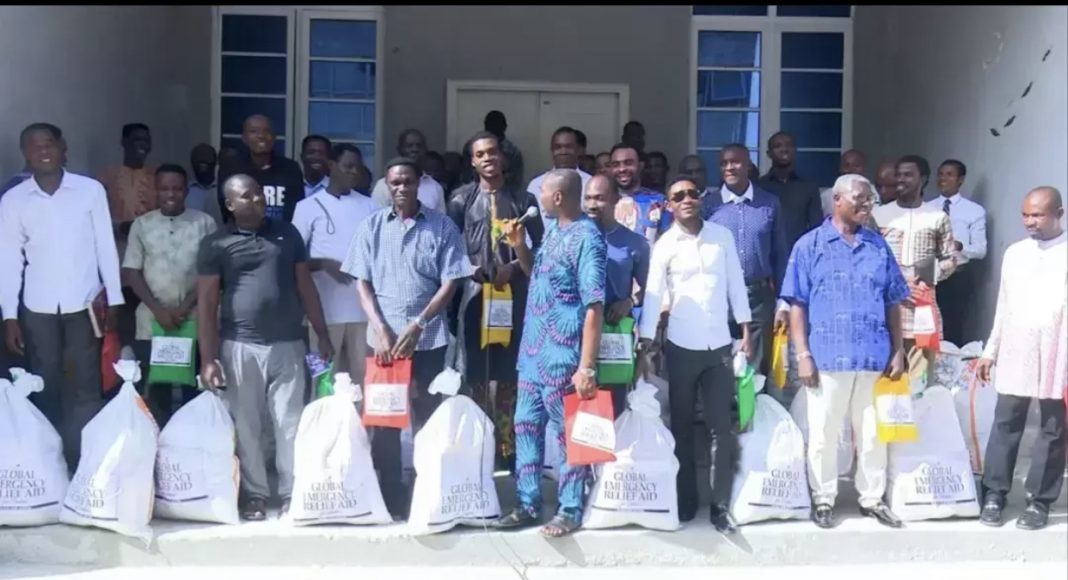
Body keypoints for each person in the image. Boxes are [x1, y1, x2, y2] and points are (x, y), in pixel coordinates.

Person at [197, 174, 334, 521]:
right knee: (247, 425)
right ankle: (256, 494)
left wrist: (321, 333)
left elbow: (305, 286)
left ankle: (291, 493)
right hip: (239, 346)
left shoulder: (287, 234)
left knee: (289, 423)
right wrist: (208, 359)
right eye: (247, 196)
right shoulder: (216, 243)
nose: (257, 199)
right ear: (230, 204)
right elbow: (207, 303)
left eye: (259, 193)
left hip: (288, 344)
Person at [344, 157, 471, 517]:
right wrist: (380, 328)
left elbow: (451, 281)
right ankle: (389, 493)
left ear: (419, 184)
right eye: (395, 183)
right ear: (386, 186)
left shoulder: (442, 226)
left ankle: (424, 489)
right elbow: (361, 281)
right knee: (384, 419)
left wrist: (419, 324)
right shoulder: (371, 226)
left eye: (407, 182)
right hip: (383, 342)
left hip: (428, 338)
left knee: (427, 417)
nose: (401, 188)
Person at [781, 174, 909, 530]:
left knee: (872, 433)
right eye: (860, 199)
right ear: (837, 200)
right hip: (827, 356)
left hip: (873, 356)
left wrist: (898, 350)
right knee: (824, 432)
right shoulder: (809, 245)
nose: (867, 205)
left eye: (870, 200)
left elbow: (893, 301)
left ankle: (871, 499)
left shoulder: (877, 246)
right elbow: (797, 305)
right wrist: (802, 354)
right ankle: (823, 498)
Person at [0, 123, 124, 467]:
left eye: (50, 144)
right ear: (25, 153)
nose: (44, 151)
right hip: (37, 308)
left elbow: (105, 246)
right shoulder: (14, 200)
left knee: (85, 384)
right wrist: (9, 315)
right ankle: (50, 463)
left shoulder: (89, 191)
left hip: (84, 304)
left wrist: (115, 298)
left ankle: (84, 461)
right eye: (35, 146)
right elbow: (9, 260)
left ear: (62, 147)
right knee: (44, 384)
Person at [494, 169, 606, 538]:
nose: (538, 196)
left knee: (568, 433)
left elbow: (594, 305)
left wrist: (586, 366)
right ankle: (528, 503)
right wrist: (519, 245)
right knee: (526, 425)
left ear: (558, 197)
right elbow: (536, 275)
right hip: (533, 353)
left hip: (564, 353)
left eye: (542, 191)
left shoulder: (587, 238)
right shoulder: (554, 230)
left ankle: (570, 508)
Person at [639, 176, 750, 533]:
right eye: (678, 196)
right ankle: (686, 500)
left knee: (721, 428)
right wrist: (645, 339)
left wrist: (745, 329)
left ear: (700, 198)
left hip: (719, 345)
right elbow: (653, 293)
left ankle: (720, 506)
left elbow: (736, 283)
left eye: (691, 193)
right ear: (669, 205)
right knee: (682, 427)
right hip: (681, 346)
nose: (686, 199)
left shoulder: (722, 236)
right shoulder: (665, 245)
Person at [448, 132, 545, 473]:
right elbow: (450, 248)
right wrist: (473, 270)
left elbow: (540, 247)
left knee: (509, 374)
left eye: (492, 152)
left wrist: (513, 267)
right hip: (474, 297)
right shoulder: (460, 199)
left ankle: (509, 447)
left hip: (513, 297)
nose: (488, 158)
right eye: (480, 154)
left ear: (502, 157)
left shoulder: (524, 199)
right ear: (473, 162)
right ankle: (478, 445)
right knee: (474, 373)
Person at [976, 186, 1066, 531]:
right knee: (1006, 423)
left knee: (1053, 428)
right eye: (1025, 215)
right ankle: (994, 494)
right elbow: (1003, 306)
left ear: (1059, 214)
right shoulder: (1015, 253)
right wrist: (990, 351)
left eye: (1038, 215)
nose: (1030, 221)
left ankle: (1039, 501)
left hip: (1059, 352)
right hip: (1017, 349)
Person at [122, 164, 216, 425]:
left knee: (192, 390)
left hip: (193, 319)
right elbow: (132, 272)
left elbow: (211, 273)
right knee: (156, 390)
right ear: (156, 191)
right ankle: (160, 439)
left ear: (186, 191)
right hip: (152, 321)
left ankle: (188, 441)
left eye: (177, 188)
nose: (171, 194)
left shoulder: (204, 223)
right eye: (164, 189)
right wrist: (159, 310)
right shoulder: (142, 225)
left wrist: (185, 307)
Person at [700, 144, 789, 398]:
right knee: (720, 366)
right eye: (724, 163)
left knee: (755, 370)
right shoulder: (709, 206)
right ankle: (723, 420)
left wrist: (783, 302)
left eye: (735, 162)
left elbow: (780, 255)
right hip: (719, 297)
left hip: (758, 297)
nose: (729, 168)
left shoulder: (769, 203)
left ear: (748, 165)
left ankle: (752, 420)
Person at [292, 144, 378, 383]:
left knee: (364, 383)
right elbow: (292, 259)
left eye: (357, 167)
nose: (353, 172)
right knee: (322, 383)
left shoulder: (371, 206)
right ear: (331, 166)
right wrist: (323, 263)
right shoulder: (307, 207)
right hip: (321, 317)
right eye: (348, 166)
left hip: (363, 314)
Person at [871, 155, 956, 389]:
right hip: (887, 302)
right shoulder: (879, 215)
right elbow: (870, 259)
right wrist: (895, 285)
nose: (901, 180)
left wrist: (929, 277)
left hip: (921, 303)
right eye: (898, 175)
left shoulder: (937, 217)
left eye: (908, 175)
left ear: (923, 179)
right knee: (886, 374)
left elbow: (950, 258)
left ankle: (918, 410)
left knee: (920, 378)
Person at [584, 174, 650, 418]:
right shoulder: (574, 237)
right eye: (588, 198)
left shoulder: (635, 243)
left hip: (615, 332)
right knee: (580, 410)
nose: (592, 205)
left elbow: (650, 288)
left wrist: (630, 302)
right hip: (579, 333)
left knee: (613, 409)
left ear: (615, 200)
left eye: (600, 198)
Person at [98, 122, 157, 346]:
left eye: (146, 141)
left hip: (150, 257)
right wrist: (119, 226)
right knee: (120, 317)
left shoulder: (156, 177)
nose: (142, 145)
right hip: (117, 255)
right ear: (124, 142)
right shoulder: (105, 177)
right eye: (136, 140)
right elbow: (95, 218)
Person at [926, 159, 987, 345]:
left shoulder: (974, 211)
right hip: (930, 273)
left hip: (957, 277)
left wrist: (961, 247)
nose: (943, 179)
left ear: (960, 180)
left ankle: (951, 360)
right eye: (940, 174)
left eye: (949, 174)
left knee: (953, 325)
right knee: (927, 325)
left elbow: (981, 250)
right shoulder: (926, 208)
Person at [218, 114, 305, 224]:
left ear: (274, 137)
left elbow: (298, 207)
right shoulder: (231, 168)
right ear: (244, 138)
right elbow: (225, 206)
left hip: (280, 232)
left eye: (267, 131)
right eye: (253, 131)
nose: (261, 135)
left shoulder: (290, 168)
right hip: (241, 232)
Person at [759, 131, 823, 250]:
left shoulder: (809, 187)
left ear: (795, 150)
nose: (784, 149)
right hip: (767, 254)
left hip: (800, 253)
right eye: (777, 146)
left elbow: (816, 226)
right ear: (769, 153)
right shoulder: (759, 187)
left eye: (789, 145)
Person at [527, 127, 593, 226]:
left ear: (578, 150)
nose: (563, 151)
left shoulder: (590, 183)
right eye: (558, 147)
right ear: (552, 151)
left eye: (568, 147)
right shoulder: (536, 184)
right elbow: (530, 223)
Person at [371, 129, 447, 212]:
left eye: (419, 145)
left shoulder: (435, 187)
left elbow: (441, 219)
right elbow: (377, 217)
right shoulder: (383, 185)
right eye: (409, 146)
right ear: (400, 149)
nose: (415, 149)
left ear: (425, 150)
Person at [610, 143, 671, 242]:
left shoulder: (660, 202)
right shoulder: (603, 201)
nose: (622, 169)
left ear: (640, 166)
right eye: (616, 165)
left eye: (628, 163)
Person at [484, 110, 525, 193]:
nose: (494, 129)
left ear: (504, 127)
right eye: (491, 125)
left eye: (497, 125)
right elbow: (467, 179)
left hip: (506, 195)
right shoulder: (473, 149)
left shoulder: (512, 153)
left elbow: (516, 182)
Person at [821, 149, 870, 216]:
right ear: (840, 168)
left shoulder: (874, 194)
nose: (851, 169)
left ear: (864, 168)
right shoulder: (827, 196)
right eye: (846, 166)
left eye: (856, 166)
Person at [187, 143, 224, 226]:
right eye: (199, 163)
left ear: (215, 163)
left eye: (206, 163)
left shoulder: (224, 189)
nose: (202, 167)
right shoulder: (185, 191)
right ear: (192, 164)